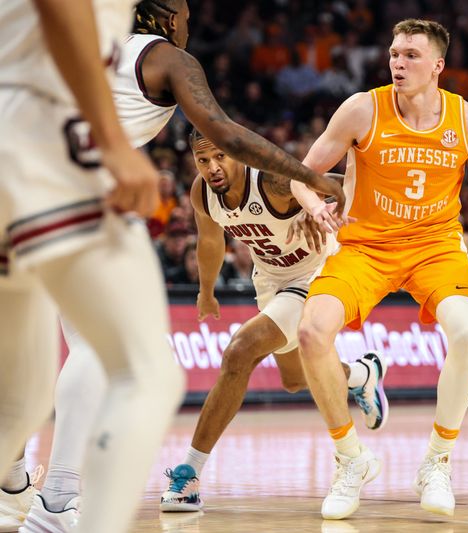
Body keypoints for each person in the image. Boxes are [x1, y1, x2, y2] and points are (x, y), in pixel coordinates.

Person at [5, 0, 348, 530]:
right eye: (185, 11)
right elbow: (228, 132)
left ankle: (10, 481)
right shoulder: (167, 58)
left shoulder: (58, 40)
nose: (189, 22)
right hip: (58, 182)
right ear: (166, 16)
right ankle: (57, 504)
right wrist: (315, 177)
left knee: (23, 354)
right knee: (125, 361)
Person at [291, 19, 468, 519]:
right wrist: (314, 205)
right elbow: (301, 176)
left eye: (412, 55)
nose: (398, 62)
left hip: (435, 245)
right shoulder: (361, 108)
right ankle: (351, 460)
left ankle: (437, 461)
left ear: (438, 65)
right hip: (365, 246)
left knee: (466, 333)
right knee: (311, 333)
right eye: (395, 53)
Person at [0, 0, 186, 532]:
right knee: (143, 369)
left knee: (21, 393)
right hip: (39, 134)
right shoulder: (162, 56)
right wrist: (111, 141)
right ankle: (58, 509)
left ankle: (22, 494)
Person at [158, 131, 387, 512]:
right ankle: (362, 375)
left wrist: (322, 207)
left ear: (236, 151)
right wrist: (206, 291)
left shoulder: (269, 181)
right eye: (203, 161)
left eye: (220, 156)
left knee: (239, 352)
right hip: (271, 279)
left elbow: (333, 183)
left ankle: (189, 475)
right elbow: (211, 241)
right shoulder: (203, 193)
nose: (213, 167)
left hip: (316, 273)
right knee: (295, 380)